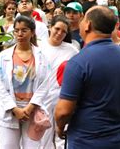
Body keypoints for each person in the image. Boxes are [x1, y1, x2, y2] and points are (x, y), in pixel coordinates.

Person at [55, 6, 120, 149]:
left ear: (88, 25)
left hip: (87, 141)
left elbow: (63, 111)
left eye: (83, 19)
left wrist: (60, 128)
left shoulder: (78, 62)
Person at [0, 15, 51, 148]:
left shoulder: (42, 57)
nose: (20, 34)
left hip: (32, 109)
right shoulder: (3, 58)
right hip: (10, 109)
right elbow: (0, 87)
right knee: (8, 146)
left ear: (32, 32)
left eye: (24, 30)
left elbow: (45, 84)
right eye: (17, 30)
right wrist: (14, 109)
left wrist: (30, 107)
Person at [40, 16, 79, 149]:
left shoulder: (72, 50)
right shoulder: (38, 47)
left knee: (62, 136)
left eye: (63, 31)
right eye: (57, 29)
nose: (59, 33)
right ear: (50, 27)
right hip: (42, 98)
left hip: (62, 97)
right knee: (43, 135)